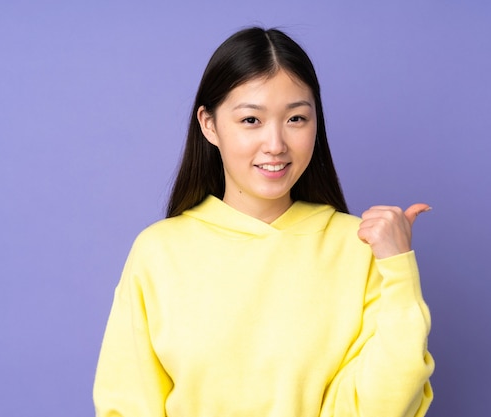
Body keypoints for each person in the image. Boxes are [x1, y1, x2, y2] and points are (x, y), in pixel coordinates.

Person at [93, 27, 434, 417]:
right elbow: (127, 404)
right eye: (252, 120)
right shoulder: (159, 252)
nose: (275, 144)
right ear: (209, 124)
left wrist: (398, 268)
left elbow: (386, 404)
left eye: (296, 118)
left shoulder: (358, 246)